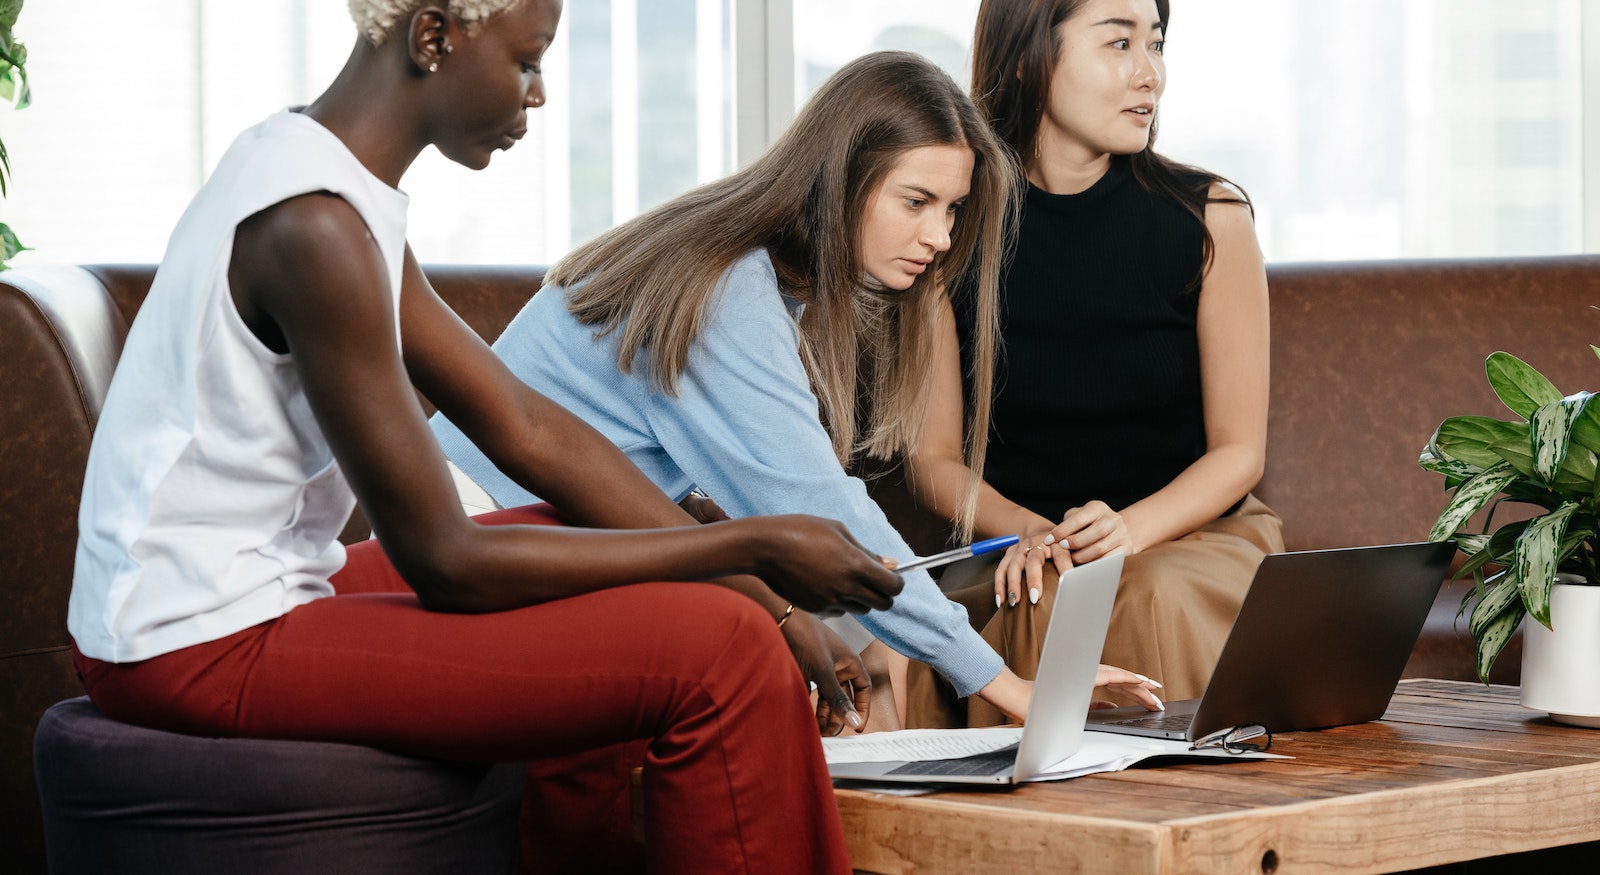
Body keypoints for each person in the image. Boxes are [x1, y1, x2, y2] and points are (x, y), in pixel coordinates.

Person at [64, 0, 906, 875]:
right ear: (433, 37)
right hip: (193, 640)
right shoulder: (314, 229)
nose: (537, 96)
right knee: (715, 656)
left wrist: (750, 580)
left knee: (643, 560)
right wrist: (753, 545)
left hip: (254, 591)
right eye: (525, 62)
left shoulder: (332, 182)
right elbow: (446, 559)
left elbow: (524, 426)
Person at [433, 50, 1164, 727]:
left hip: (553, 521)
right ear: (840, 179)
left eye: (951, 209)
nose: (941, 236)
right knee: (747, 646)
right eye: (916, 202)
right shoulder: (729, 292)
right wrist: (1007, 685)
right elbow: (819, 503)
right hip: (482, 528)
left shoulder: (765, 274)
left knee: (824, 637)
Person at [902, 0, 1286, 727]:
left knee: (1149, 592)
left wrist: (1128, 531)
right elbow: (932, 462)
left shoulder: (1211, 217)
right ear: (1028, 58)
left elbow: (1239, 452)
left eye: (1156, 43)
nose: (1150, 72)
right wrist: (1036, 531)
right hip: (1024, 549)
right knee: (1041, 600)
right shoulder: (950, 228)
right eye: (1119, 42)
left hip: (1192, 540)